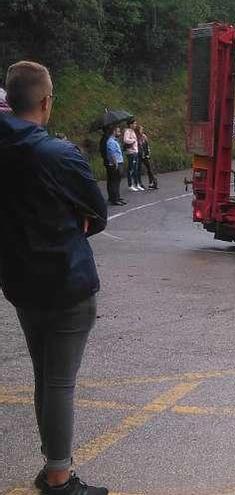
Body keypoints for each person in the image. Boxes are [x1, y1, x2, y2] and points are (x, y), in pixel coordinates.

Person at [0, 61, 109, 495]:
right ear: (46, 101)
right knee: (59, 382)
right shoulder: (59, 155)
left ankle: (53, 467)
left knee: (44, 376)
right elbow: (97, 214)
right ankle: (59, 478)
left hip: (21, 284)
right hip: (66, 283)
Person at [101, 126, 125, 205]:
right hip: (114, 163)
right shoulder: (110, 141)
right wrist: (115, 163)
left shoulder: (114, 140)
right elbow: (112, 153)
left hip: (117, 162)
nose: (119, 133)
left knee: (117, 181)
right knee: (114, 181)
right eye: (118, 131)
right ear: (114, 132)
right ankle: (115, 199)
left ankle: (117, 197)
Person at [134, 124, 157, 189]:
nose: (142, 131)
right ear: (138, 131)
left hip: (145, 154)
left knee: (149, 168)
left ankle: (152, 182)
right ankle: (139, 183)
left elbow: (147, 145)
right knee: (138, 169)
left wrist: (148, 153)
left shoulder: (144, 136)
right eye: (141, 130)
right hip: (139, 155)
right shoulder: (136, 137)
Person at [122, 119, 142, 191]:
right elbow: (125, 140)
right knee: (131, 168)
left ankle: (136, 184)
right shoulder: (127, 131)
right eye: (134, 124)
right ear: (130, 124)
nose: (135, 125)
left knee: (135, 168)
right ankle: (130, 185)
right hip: (131, 152)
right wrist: (133, 140)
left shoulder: (132, 131)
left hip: (135, 151)